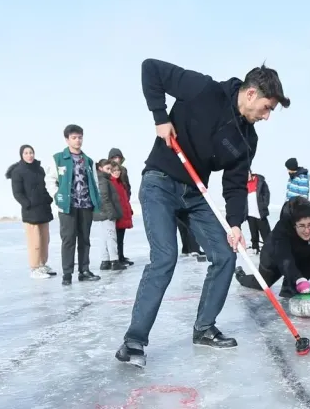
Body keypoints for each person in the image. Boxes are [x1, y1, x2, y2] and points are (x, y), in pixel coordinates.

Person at [115, 58, 290, 364]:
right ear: (251, 94)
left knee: (225, 254)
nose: (267, 116)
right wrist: (160, 117)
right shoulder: (204, 89)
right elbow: (150, 69)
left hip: (196, 196)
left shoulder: (248, 139)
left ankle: (205, 328)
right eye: (267, 107)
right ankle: (133, 342)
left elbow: (235, 185)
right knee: (165, 257)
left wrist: (235, 224)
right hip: (160, 183)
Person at [235, 196, 310, 300]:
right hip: (273, 258)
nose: (307, 231)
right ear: (294, 224)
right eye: (301, 226)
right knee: (261, 284)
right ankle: (241, 275)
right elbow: (284, 259)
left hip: (298, 254)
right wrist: (299, 279)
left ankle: (289, 288)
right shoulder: (282, 229)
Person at [44, 124, 102, 286]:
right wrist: (57, 196)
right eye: (74, 138)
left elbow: (95, 182)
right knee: (68, 239)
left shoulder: (88, 161)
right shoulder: (58, 158)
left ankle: (84, 270)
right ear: (67, 139)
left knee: (84, 239)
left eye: (80, 137)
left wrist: (95, 200)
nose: (78, 141)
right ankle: (67, 273)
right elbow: (50, 180)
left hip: (86, 205)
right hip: (68, 206)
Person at [5, 144, 56, 279]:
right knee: (35, 241)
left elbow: (46, 187)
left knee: (45, 239)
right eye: (26, 153)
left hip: (43, 209)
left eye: (31, 152)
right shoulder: (18, 171)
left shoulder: (39, 169)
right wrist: (27, 204)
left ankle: (42, 264)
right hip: (30, 211)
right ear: (22, 155)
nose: (29, 155)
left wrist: (48, 200)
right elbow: (17, 193)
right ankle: (34, 268)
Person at [94, 159, 127, 271]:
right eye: (107, 169)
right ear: (100, 168)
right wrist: (110, 213)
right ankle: (114, 261)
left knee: (104, 237)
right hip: (107, 214)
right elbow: (104, 197)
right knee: (111, 237)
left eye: (110, 169)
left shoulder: (101, 179)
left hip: (102, 213)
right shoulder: (103, 180)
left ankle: (105, 261)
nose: (109, 171)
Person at [108, 148, 133, 266]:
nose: (117, 159)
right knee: (114, 235)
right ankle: (115, 257)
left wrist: (127, 198)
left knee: (121, 234)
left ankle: (121, 256)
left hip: (124, 201)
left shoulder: (124, 170)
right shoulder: (109, 173)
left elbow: (127, 186)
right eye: (114, 158)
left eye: (118, 157)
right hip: (116, 206)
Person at [246, 170, 271, 253]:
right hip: (249, 213)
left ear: (250, 172)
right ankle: (255, 247)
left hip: (260, 211)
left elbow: (266, 193)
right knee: (253, 231)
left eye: (247, 174)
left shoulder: (260, 181)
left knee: (265, 231)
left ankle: (269, 248)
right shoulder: (242, 184)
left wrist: (264, 205)